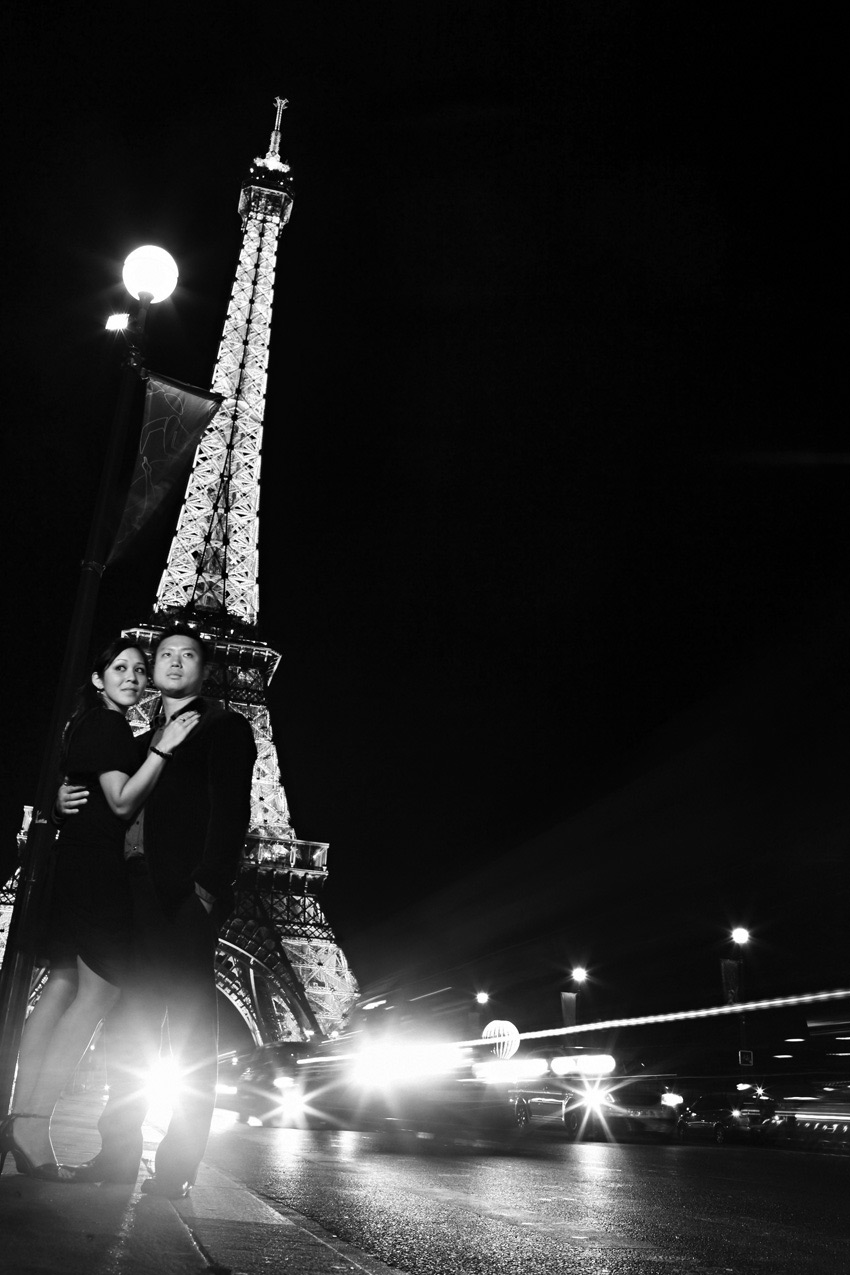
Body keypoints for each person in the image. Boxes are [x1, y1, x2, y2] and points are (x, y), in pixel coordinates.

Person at [57, 622, 256, 1197]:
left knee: (191, 1034)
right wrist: (59, 797)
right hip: (134, 895)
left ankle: (175, 1168)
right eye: (162, 654)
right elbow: (111, 795)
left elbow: (231, 811)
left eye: (186, 655)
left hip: (183, 896)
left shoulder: (225, 726)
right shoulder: (144, 737)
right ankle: (116, 1154)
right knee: (130, 1030)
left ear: (204, 668)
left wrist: (208, 888)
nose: (171, 662)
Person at [0, 639, 199, 1180]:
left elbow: (89, 781)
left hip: (76, 865)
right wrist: (166, 746)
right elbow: (121, 802)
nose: (133, 676)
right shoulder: (108, 726)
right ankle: (33, 1121)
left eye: (140, 668)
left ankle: (17, 1118)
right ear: (97, 678)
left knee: (63, 988)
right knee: (99, 992)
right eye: (120, 668)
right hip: (97, 872)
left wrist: (57, 801)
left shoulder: (98, 727)